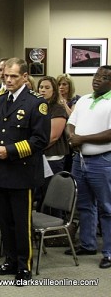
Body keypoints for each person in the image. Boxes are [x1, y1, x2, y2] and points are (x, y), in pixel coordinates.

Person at [0, 58, 50, 285]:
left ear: (24, 76)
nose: (8, 79)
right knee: (5, 220)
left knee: (21, 223)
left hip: (22, 172)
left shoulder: (35, 103)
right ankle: (10, 261)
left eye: (13, 76)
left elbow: (40, 140)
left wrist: (9, 151)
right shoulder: (1, 100)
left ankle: (23, 266)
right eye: (6, 75)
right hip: (1, 172)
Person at [65, 66, 111, 269]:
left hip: (102, 161)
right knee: (84, 205)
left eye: (104, 77)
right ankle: (88, 244)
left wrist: (82, 138)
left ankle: (109, 253)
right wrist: (72, 136)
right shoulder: (83, 100)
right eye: (97, 75)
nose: (98, 79)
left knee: (107, 209)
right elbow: (70, 122)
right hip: (79, 160)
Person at [36, 76, 69, 214]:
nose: (43, 90)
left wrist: (32, 148)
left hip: (52, 158)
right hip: (39, 157)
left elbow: (54, 136)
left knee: (52, 197)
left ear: (54, 90)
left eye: (47, 87)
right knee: (40, 196)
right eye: (41, 87)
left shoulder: (57, 109)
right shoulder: (37, 107)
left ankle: (55, 230)